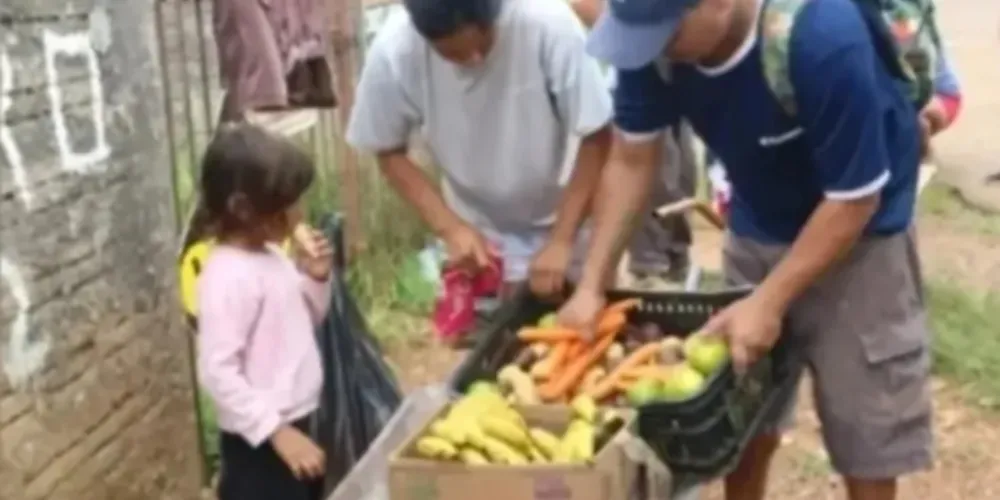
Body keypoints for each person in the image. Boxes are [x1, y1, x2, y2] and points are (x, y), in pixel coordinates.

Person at [559, 1, 934, 500]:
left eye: (666, 35)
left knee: (866, 431)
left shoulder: (821, 36)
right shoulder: (656, 45)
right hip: (758, 224)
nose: (653, 51)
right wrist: (590, 284)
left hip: (861, 243)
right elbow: (631, 160)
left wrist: (768, 302)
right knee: (743, 420)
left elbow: (854, 199)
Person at [346, 0, 613, 336]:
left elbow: (597, 135)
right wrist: (450, 228)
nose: (474, 60)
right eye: (455, 55)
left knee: (588, 332)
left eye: (483, 44)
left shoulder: (547, 23)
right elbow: (387, 149)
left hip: (571, 214)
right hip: (480, 232)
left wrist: (562, 239)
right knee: (501, 345)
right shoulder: (393, 51)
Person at [196, 124, 332, 500]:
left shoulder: (271, 256)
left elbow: (303, 322)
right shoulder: (228, 276)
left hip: (296, 423)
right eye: (287, 204)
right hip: (260, 444)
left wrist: (316, 279)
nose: (298, 213)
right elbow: (218, 371)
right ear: (243, 208)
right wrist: (277, 433)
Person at [571, 0, 697, 286]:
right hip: (639, 98)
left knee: (677, 176)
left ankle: (671, 259)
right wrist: (592, 282)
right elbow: (630, 164)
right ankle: (652, 267)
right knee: (657, 179)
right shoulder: (642, 64)